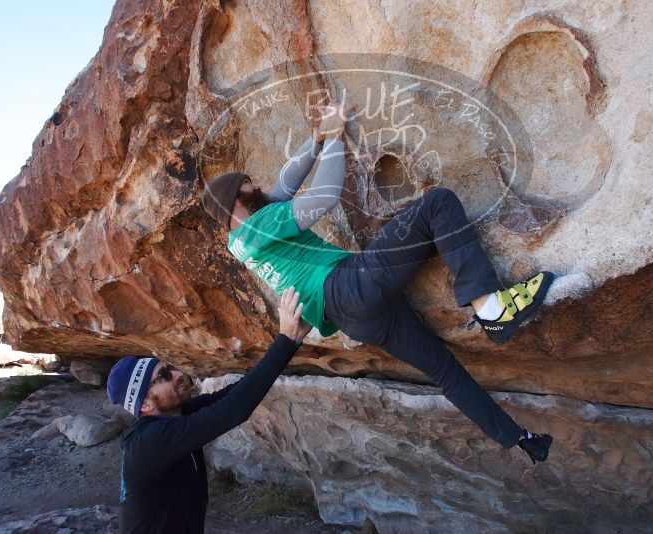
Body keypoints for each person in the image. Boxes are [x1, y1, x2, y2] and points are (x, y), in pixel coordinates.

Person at [201, 101, 554, 464]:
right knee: (437, 203)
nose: (258, 186)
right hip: (351, 285)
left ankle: (520, 438)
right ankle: (489, 306)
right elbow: (323, 197)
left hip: (354, 318)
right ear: (234, 205)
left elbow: (282, 187)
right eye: (248, 186)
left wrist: (316, 140)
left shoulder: (241, 241)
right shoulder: (260, 224)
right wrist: (336, 137)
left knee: (444, 371)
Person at [106, 286, 311, 534]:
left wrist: (293, 342)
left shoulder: (176, 414)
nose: (178, 374)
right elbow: (233, 411)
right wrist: (284, 341)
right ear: (146, 404)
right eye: (165, 376)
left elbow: (232, 396)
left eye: (169, 367)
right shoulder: (150, 442)